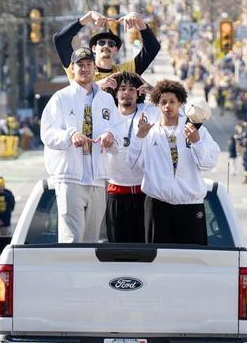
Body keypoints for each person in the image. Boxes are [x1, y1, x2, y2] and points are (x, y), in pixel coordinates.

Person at [40, 47, 118, 243]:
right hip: (70, 177)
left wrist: (111, 134)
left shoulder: (107, 99)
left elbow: (118, 128)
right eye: (80, 65)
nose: (85, 69)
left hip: (97, 177)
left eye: (89, 65)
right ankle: (69, 274)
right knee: (72, 238)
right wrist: (70, 135)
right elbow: (47, 133)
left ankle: (87, 274)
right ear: (72, 69)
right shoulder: (61, 98)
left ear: (94, 68)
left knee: (92, 240)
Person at [128, 80, 220, 245]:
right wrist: (139, 137)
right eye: (163, 102)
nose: (167, 106)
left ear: (180, 104)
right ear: (157, 104)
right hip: (157, 206)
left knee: (191, 260)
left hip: (190, 206)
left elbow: (209, 163)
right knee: (159, 263)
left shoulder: (196, 130)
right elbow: (133, 164)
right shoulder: (148, 132)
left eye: (172, 102)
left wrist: (197, 142)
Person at [105, 72, 157, 243]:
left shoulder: (147, 111)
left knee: (145, 248)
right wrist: (102, 85)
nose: (126, 93)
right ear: (115, 92)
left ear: (138, 93)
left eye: (131, 89)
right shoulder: (106, 112)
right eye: (122, 89)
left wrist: (155, 91)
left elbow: (179, 112)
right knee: (118, 249)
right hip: (116, 191)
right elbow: (83, 99)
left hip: (144, 192)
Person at [53, 10, 160, 83]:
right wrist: (87, 18)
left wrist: (140, 22)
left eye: (111, 44)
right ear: (94, 48)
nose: (106, 46)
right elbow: (60, 40)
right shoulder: (81, 69)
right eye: (101, 42)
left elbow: (152, 48)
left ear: (116, 50)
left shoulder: (125, 72)